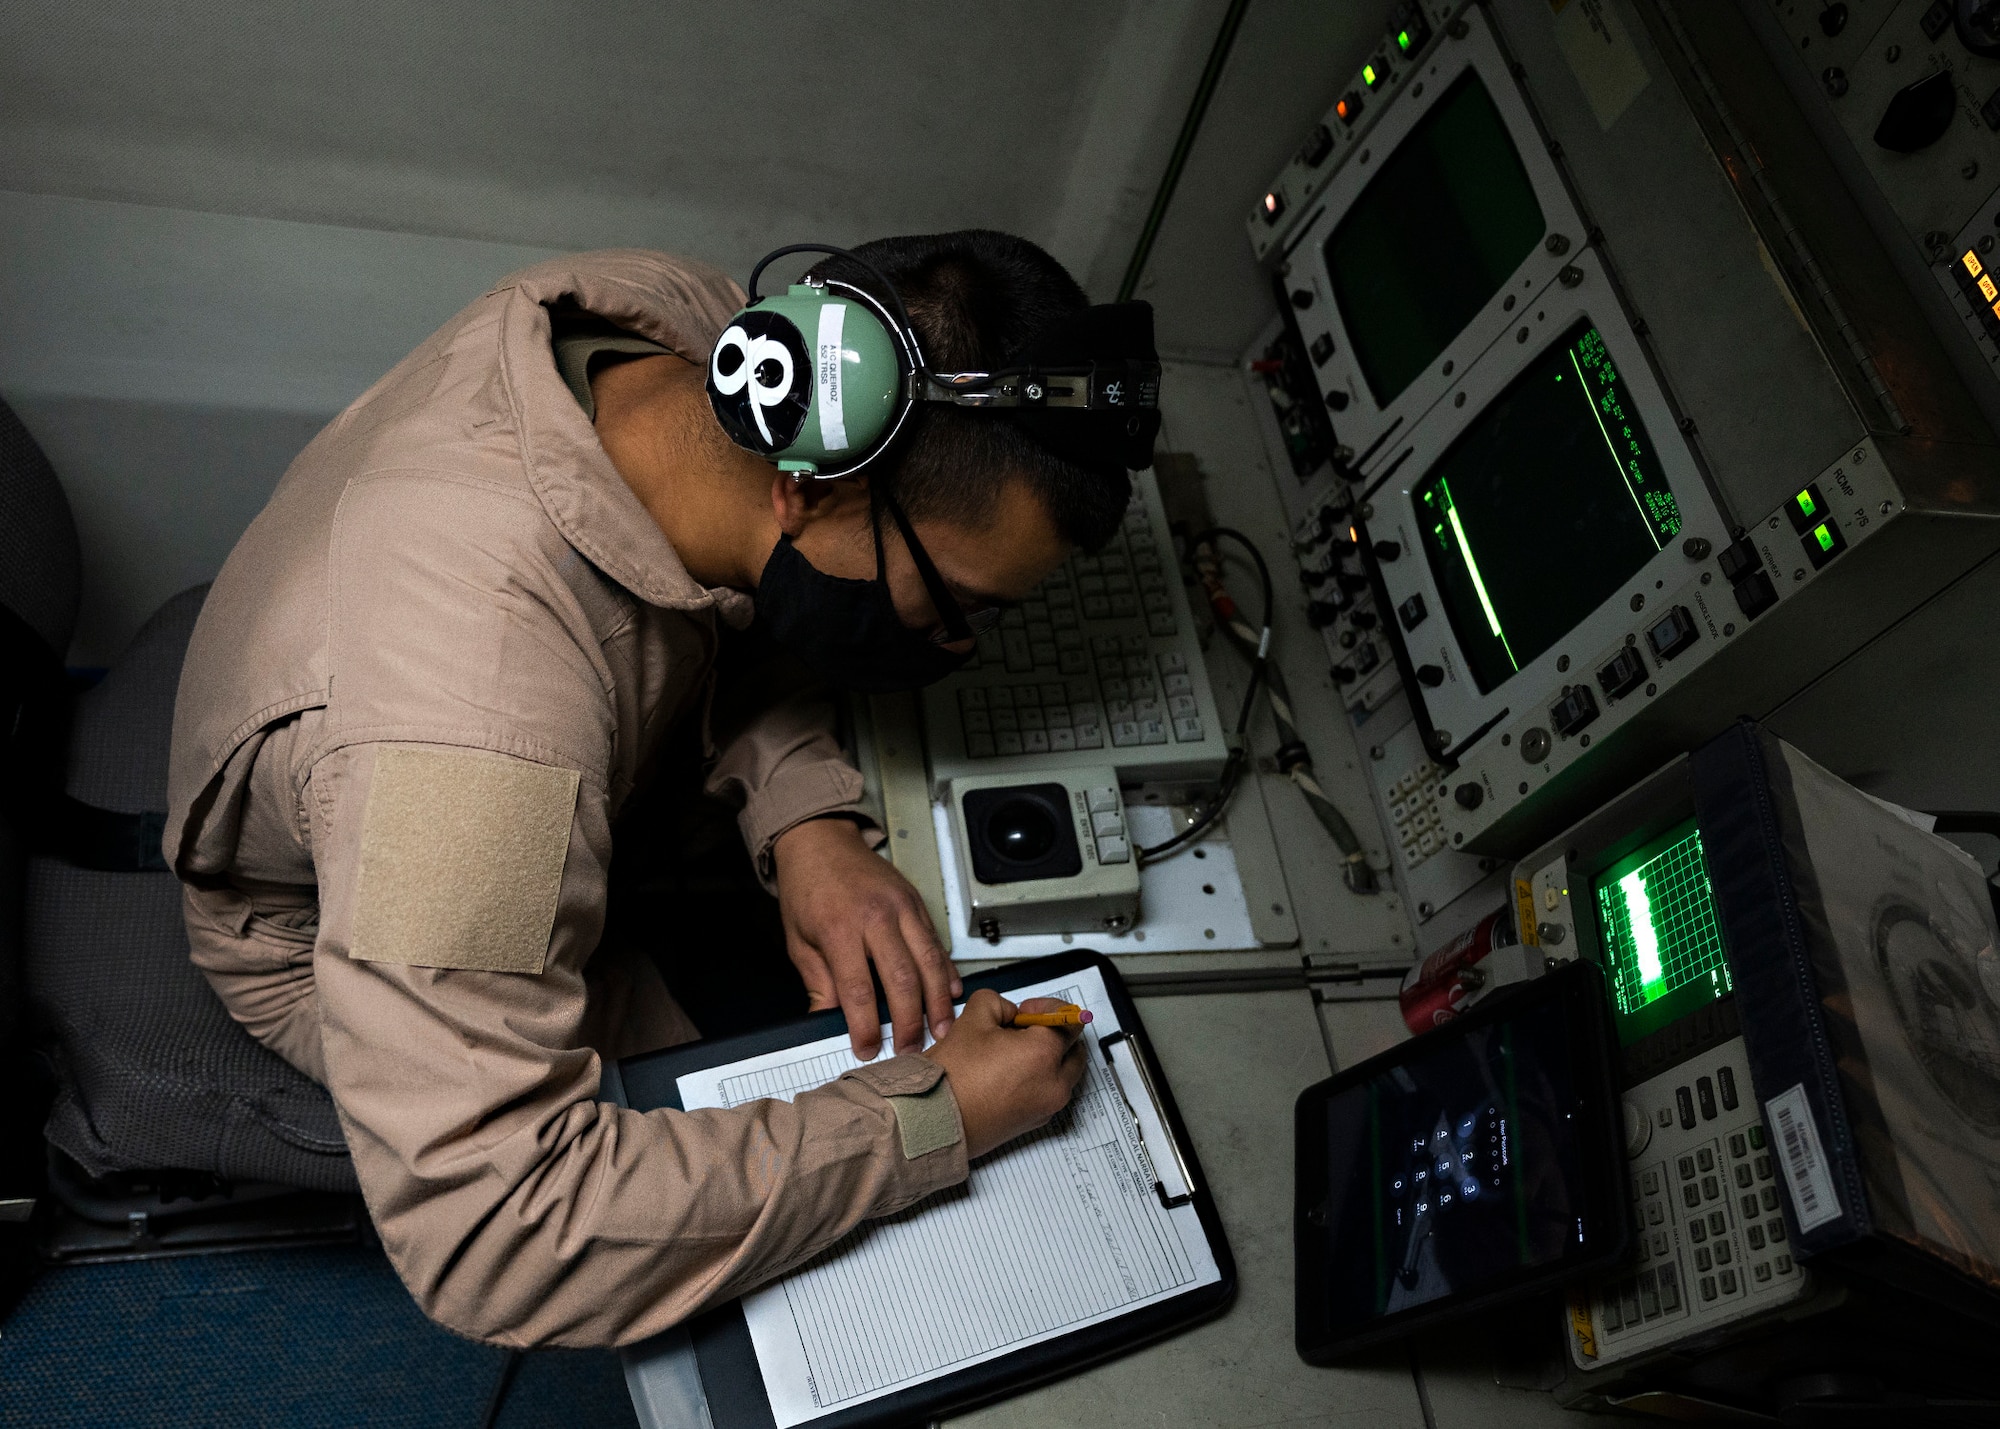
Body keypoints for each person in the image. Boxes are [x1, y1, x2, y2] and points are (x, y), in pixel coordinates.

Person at [163, 231, 1157, 1346]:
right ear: (800, 486)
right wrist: (934, 1121)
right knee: (766, 1174)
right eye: (954, 599)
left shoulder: (677, 324)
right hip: (326, 911)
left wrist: (809, 815)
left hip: (539, 770)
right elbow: (500, 1234)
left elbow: (724, 594)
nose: (956, 643)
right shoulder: (472, 732)